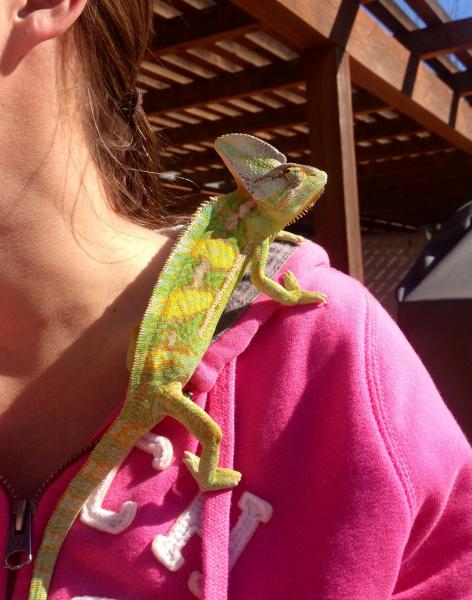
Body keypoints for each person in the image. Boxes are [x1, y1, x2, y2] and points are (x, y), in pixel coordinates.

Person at [0, 1, 470, 599]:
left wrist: (292, 290)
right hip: (166, 385)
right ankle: (211, 464)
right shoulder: (240, 228)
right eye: (290, 183)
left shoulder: (331, 341)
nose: (306, 187)